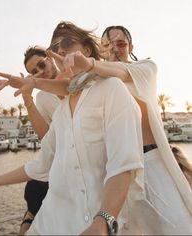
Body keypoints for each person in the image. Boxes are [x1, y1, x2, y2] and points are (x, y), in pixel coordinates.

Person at [0, 22, 145, 235]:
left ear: (86, 50)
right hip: (50, 220)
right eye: (55, 48)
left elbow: (123, 165)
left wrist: (103, 221)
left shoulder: (112, 90)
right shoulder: (61, 111)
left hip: (94, 221)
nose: (61, 50)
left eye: (67, 42)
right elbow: (43, 162)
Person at [48, 24, 192, 233]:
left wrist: (88, 64)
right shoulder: (95, 79)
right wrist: (32, 84)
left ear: (131, 47)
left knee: (178, 228)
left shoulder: (146, 69)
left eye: (121, 43)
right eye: (107, 44)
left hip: (152, 164)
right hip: (117, 173)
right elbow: (68, 88)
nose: (115, 48)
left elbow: (122, 73)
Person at [0, 46, 61, 235]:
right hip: (61, 165)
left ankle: (29, 217)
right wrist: (27, 97)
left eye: (42, 64)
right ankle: (29, 218)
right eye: (34, 72)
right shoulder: (43, 96)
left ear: (50, 58)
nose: (41, 72)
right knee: (34, 191)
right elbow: (44, 135)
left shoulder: (75, 77)